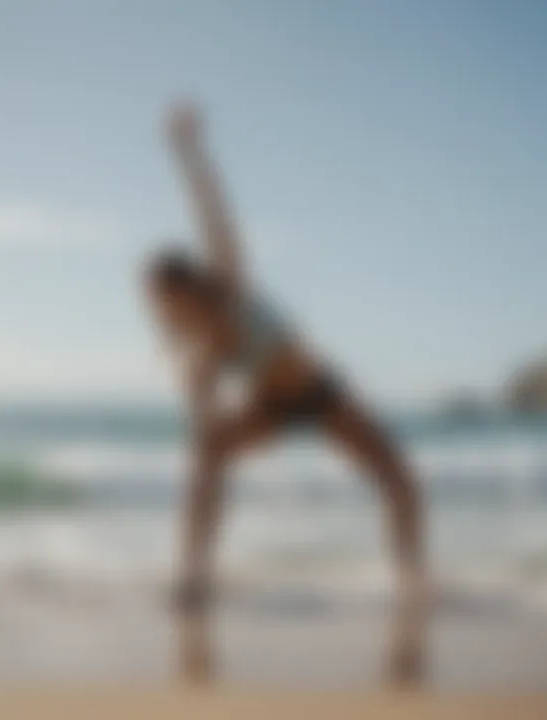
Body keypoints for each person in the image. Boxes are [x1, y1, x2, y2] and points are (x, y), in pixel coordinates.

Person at [143, 102, 426, 614]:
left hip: (320, 392)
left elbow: (214, 212)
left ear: (186, 287)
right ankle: (194, 575)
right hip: (268, 406)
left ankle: (410, 577)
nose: (161, 311)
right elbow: (202, 425)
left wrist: (189, 150)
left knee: (396, 473)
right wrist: (199, 394)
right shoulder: (195, 349)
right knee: (206, 456)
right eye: (157, 305)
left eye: (164, 299)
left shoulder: (228, 283)